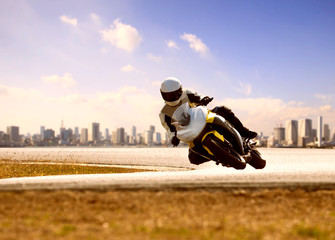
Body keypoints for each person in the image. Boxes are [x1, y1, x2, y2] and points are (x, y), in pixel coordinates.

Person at [159, 77, 258, 165]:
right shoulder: (164, 114)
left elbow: (197, 96)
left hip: (201, 117)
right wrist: (173, 138)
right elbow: (169, 130)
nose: (174, 97)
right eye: (169, 96)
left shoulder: (186, 93)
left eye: (176, 93)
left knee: (221, 109)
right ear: (163, 95)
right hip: (190, 133)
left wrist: (203, 98)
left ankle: (243, 131)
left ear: (180, 90)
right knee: (193, 159)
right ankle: (218, 156)